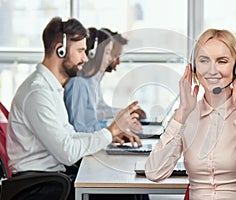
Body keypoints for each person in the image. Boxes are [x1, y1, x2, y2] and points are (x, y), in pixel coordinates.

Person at [6, 17, 142, 200]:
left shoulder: (51, 88)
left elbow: (71, 135)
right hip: (40, 187)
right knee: (126, 194)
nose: (85, 58)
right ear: (60, 51)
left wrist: (109, 136)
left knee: (130, 190)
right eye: (80, 51)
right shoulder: (37, 93)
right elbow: (68, 153)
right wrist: (110, 131)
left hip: (53, 179)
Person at [145, 28, 236, 199]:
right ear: (194, 67)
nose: (212, 70)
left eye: (222, 61)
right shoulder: (185, 116)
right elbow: (155, 173)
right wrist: (182, 114)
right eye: (204, 61)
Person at [64, 27, 143, 146]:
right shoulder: (79, 84)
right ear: (93, 53)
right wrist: (111, 133)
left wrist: (113, 133)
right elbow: (78, 131)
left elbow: (92, 124)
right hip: (83, 153)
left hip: (93, 144)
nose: (110, 58)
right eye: (107, 53)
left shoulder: (88, 82)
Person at [91, 28, 146, 122]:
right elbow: (92, 114)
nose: (118, 62)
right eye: (115, 55)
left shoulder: (97, 78)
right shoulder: (85, 81)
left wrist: (126, 112)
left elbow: (100, 107)